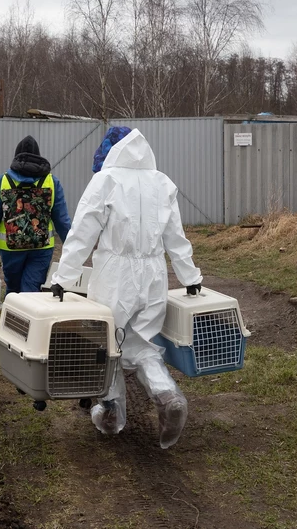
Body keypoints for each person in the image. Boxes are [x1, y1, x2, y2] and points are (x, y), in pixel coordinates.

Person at [50, 127, 202, 449]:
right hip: (154, 275)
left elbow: (81, 234)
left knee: (108, 344)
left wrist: (63, 279)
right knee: (143, 343)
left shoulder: (106, 181)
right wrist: (190, 278)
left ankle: (110, 412)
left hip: (114, 276)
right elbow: (176, 237)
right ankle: (167, 394)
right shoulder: (161, 183)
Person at [0, 135, 71, 294]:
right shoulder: (52, 182)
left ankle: (12, 313)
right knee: (31, 288)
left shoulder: (2, 181)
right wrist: (73, 246)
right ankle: (29, 313)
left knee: (13, 288)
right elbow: (62, 219)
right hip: (42, 247)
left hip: (11, 248)